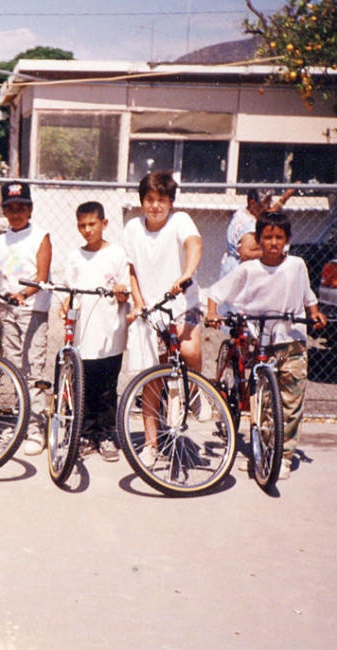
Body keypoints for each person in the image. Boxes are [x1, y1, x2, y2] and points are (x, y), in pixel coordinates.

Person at [206, 211, 327, 480]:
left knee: (291, 401)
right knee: (262, 400)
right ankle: (261, 449)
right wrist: (213, 311)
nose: (273, 243)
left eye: (279, 237)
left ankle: (283, 456)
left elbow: (309, 298)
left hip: (292, 340)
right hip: (260, 341)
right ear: (258, 240)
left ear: (288, 240)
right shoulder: (248, 269)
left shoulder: (297, 265)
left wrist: (316, 314)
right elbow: (216, 293)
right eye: (267, 237)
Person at [123, 172, 203, 467]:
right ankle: (151, 445)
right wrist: (139, 302)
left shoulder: (180, 221)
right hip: (149, 308)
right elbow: (131, 269)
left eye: (162, 200)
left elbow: (194, 245)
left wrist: (186, 275)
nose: (155, 206)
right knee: (151, 379)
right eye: (149, 199)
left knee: (189, 350)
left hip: (182, 300)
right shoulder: (132, 228)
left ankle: (195, 392)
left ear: (171, 202)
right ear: (142, 201)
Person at [0, 181, 52, 456]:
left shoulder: (40, 236)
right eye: (11, 208)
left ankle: (36, 428)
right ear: (4, 212)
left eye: (21, 207)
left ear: (30, 209)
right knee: (13, 368)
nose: (16, 213)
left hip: (33, 311)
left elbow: (42, 278)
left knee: (34, 368)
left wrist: (22, 293)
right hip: (7, 313)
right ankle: (21, 423)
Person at [64, 201, 131, 462]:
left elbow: (125, 292)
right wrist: (65, 311)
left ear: (104, 224)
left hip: (109, 334)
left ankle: (106, 435)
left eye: (92, 224)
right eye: (82, 225)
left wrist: (121, 292)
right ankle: (86, 435)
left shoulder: (117, 254)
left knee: (106, 388)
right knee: (85, 386)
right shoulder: (74, 257)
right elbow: (69, 293)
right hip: (83, 335)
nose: (87, 230)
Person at [220, 188, 295, 278]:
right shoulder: (248, 225)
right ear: (252, 203)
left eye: (269, 203)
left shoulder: (243, 213)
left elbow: (270, 212)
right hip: (239, 273)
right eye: (265, 204)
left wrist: (286, 196)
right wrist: (273, 253)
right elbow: (246, 255)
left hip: (229, 267)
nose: (268, 207)